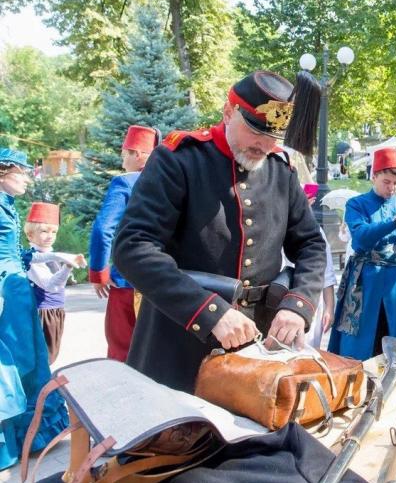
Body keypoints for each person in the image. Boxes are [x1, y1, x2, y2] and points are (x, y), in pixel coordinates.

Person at [113, 70, 327, 392]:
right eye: (255, 129)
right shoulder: (179, 160)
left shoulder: (280, 171)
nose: (265, 145)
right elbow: (132, 247)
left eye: (275, 136)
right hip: (178, 344)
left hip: (255, 348)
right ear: (228, 112)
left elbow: (311, 244)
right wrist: (208, 311)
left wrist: (298, 305)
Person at [328, 148, 396, 360]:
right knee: (358, 341)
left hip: (394, 285)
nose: (392, 188)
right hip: (364, 283)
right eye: (386, 182)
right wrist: (395, 222)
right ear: (373, 176)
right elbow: (361, 238)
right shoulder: (356, 204)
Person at [0, 149, 68, 470]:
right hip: (5, 293)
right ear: (3, 172)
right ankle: (13, 439)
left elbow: (20, 253)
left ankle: (36, 432)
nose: (28, 178)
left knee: (31, 356)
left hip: (18, 291)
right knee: (12, 362)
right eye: (23, 172)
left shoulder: (8, 205)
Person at [89, 125, 159, 362]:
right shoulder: (171, 181)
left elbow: (103, 228)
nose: (122, 161)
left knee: (122, 350)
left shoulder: (125, 183)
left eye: (124, 154)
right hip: (166, 282)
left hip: (128, 281)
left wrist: (98, 272)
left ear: (137, 154)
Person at [23, 202, 86, 364]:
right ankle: (39, 388)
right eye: (44, 231)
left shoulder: (52, 254)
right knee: (43, 358)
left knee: (50, 355)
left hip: (55, 311)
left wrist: (69, 267)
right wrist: (67, 267)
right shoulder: (33, 258)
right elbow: (50, 286)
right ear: (30, 234)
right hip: (43, 313)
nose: (50, 236)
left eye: (54, 232)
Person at [301, 184, 337, 348]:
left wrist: (329, 307)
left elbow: (327, 273)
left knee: (306, 354)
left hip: (310, 300)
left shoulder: (316, 231)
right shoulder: (274, 226)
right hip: (277, 298)